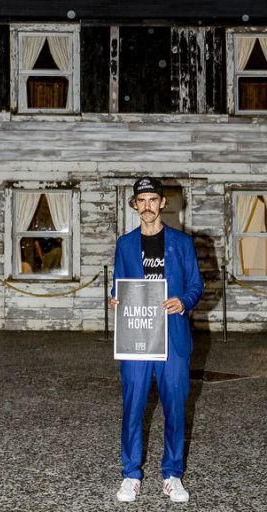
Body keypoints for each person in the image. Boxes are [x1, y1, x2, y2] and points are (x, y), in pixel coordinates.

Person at [111, 176, 204, 504]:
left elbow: (196, 285)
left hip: (173, 337)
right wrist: (115, 299)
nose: (147, 206)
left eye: (153, 200)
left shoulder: (182, 243)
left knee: (175, 408)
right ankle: (130, 474)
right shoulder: (124, 244)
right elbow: (117, 286)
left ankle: (172, 474)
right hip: (137, 337)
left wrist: (184, 301)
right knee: (133, 405)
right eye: (142, 200)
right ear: (135, 205)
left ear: (163, 203)